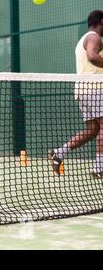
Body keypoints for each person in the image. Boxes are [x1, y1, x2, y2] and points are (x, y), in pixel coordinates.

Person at [49, 10, 103, 178]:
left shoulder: (83, 39)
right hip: (96, 88)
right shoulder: (94, 37)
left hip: (83, 90)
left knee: (93, 129)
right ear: (101, 21)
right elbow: (92, 57)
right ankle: (99, 167)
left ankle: (59, 152)